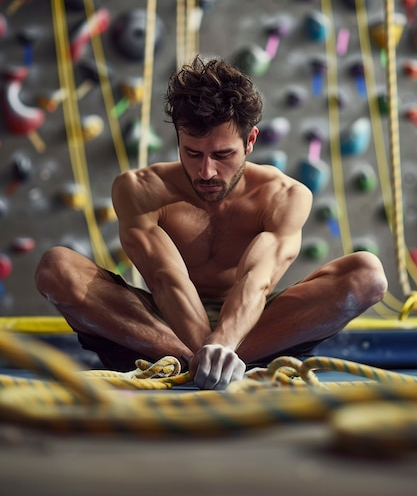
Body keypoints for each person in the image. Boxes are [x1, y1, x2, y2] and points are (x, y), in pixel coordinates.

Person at [35, 55, 387, 390]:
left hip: (259, 328)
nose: (206, 172)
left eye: (222, 155)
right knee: (57, 267)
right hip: (157, 328)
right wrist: (205, 353)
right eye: (192, 153)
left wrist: (225, 343)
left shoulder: (284, 194)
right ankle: (197, 362)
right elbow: (165, 279)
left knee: (367, 274)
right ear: (178, 141)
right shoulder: (140, 188)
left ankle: (213, 361)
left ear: (250, 141)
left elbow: (256, 281)